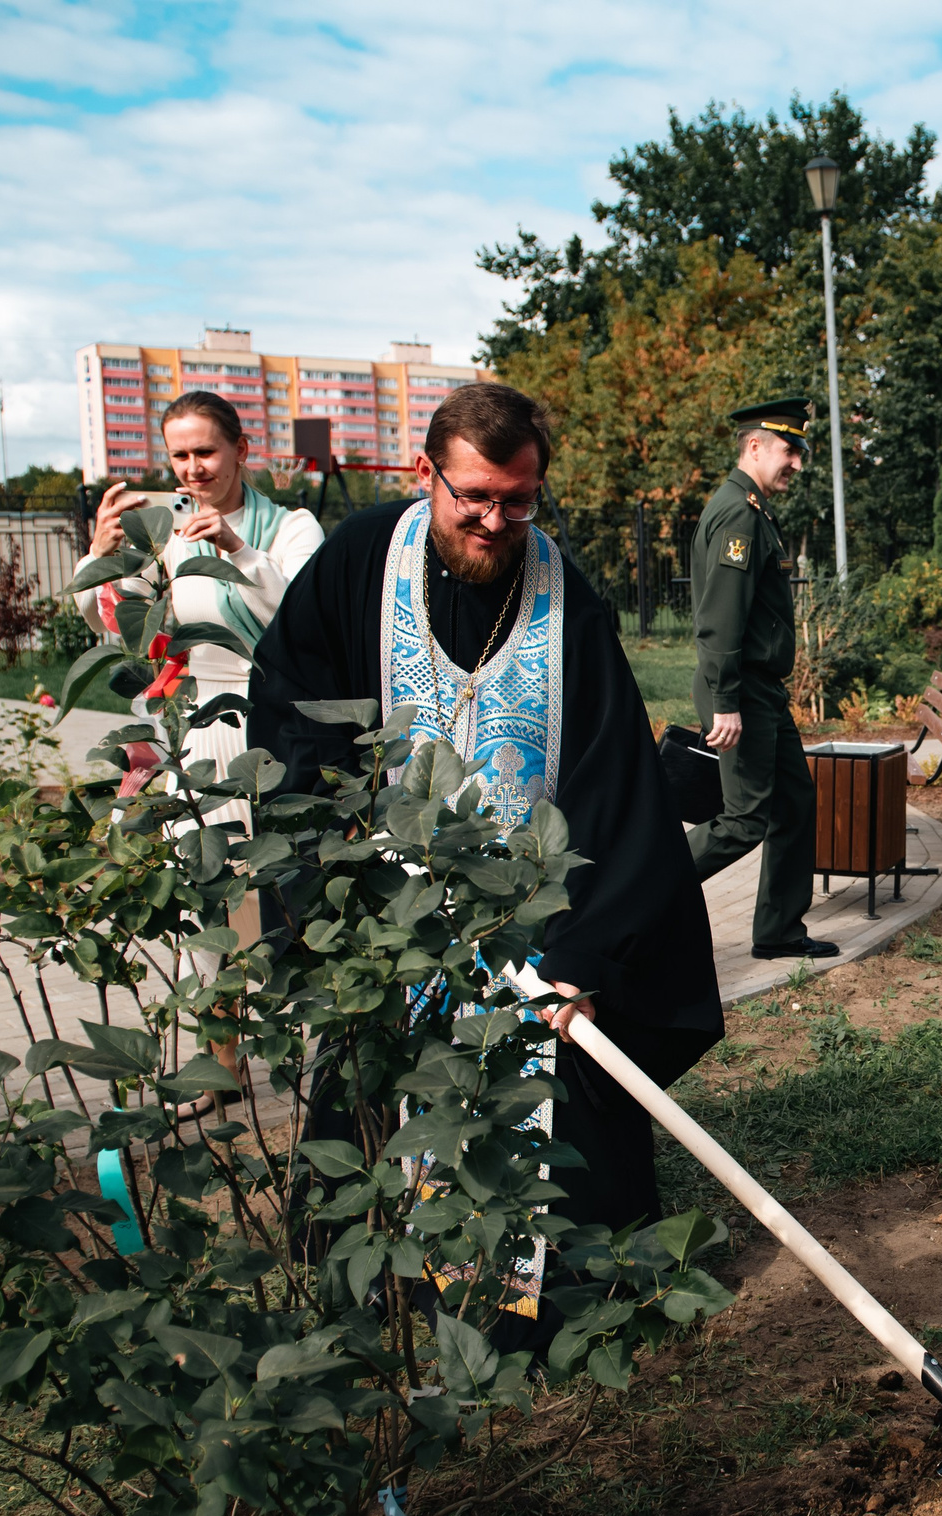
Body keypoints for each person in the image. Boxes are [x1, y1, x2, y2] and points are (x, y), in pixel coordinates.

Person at [249, 381, 723, 1269]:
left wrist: (582, 955)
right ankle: (380, 1282)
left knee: (562, 1216)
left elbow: (614, 787)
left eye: (518, 500)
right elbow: (291, 706)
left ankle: (520, 1294)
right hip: (388, 916)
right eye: (473, 497)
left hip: (525, 935)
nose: (496, 522)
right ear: (425, 472)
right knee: (371, 1131)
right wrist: (338, 861)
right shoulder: (361, 561)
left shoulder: (567, 601)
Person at [77, 392, 327, 805]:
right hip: (203, 721)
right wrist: (99, 556)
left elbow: (302, 622)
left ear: (240, 450)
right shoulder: (169, 537)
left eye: (205, 452)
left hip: (281, 719)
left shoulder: (294, 528)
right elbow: (117, 620)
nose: (192, 468)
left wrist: (238, 549)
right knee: (203, 836)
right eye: (180, 455)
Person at [686, 399, 834, 962]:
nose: (797, 463)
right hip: (741, 690)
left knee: (793, 804)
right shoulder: (740, 515)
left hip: (760, 689)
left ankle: (779, 932)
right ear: (755, 446)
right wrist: (726, 700)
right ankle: (636, 891)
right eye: (789, 450)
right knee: (744, 820)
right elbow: (720, 618)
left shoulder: (752, 509)